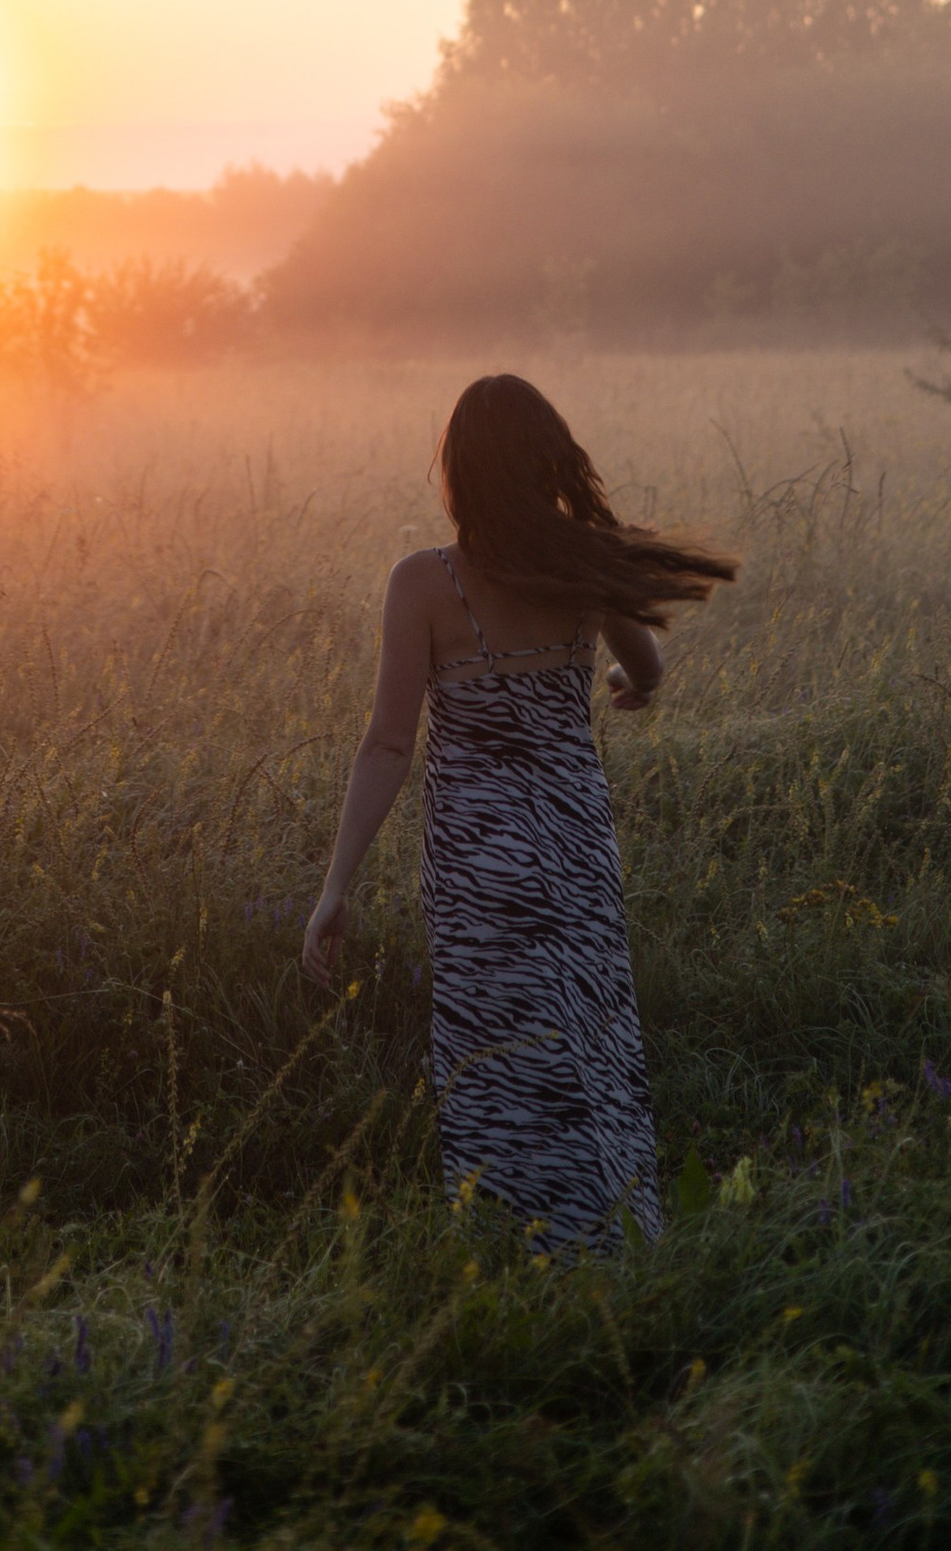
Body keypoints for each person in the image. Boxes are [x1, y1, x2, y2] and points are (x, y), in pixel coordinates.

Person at [302, 371, 737, 1244]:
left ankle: (514, 1239)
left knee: (497, 1051)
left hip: (477, 862)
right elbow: (647, 670)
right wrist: (623, 681)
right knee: (587, 1032)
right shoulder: (579, 566)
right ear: (547, 465)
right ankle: (613, 1230)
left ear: (457, 473)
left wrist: (335, 887)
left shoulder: (421, 584)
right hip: (575, 848)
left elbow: (388, 746)